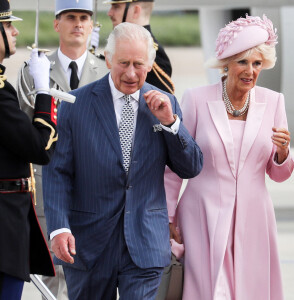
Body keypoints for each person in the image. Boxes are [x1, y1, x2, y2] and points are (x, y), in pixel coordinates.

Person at [42, 22, 203, 300]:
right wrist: (59, 228)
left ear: (150, 64)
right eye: (123, 63)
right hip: (89, 245)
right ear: (107, 58)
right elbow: (57, 173)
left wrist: (170, 123)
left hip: (144, 244)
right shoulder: (75, 104)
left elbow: (191, 167)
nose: (130, 73)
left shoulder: (166, 104)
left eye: (138, 64)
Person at [165, 14, 294, 300]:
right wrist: (169, 217)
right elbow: (175, 165)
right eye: (243, 62)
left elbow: (279, 174)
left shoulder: (274, 102)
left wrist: (283, 154)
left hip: (254, 218)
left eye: (257, 63)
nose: (250, 71)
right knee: (209, 292)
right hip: (202, 216)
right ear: (226, 63)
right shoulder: (197, 99)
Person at [16, 0, 108, 298]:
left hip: (95, 189)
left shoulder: (106, 69)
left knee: (94, 274)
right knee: (53, 277)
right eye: (70, 17)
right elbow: (23, 129)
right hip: (48, 186)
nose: (78, 24)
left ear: (93, 24)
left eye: (84, 17)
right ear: (57, 24)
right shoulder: (35, 68)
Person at [0, 1, 58, 299]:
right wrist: (44, 91)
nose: (15, 31)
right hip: (4, 227)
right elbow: (39, 147)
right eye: (8, 26)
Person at [104, 0, 175, 94]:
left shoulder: (153, 53)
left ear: (136, 11)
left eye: (116, 7)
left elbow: (161, 98)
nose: (109, 13)